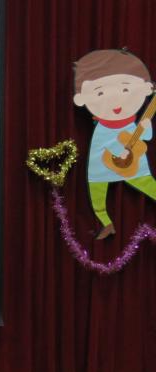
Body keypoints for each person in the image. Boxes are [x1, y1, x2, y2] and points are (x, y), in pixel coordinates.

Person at [73, 48, 156, 240]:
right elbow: (100, 148)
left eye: (126, 89)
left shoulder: (132, 125)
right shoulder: (101, 131)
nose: (115, 100)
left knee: (149, 184)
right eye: (100, 93)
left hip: (132, 162)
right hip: (101, 161)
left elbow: (146, 137)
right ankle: (106, 223)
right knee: (97, 191)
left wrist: (145, 126)